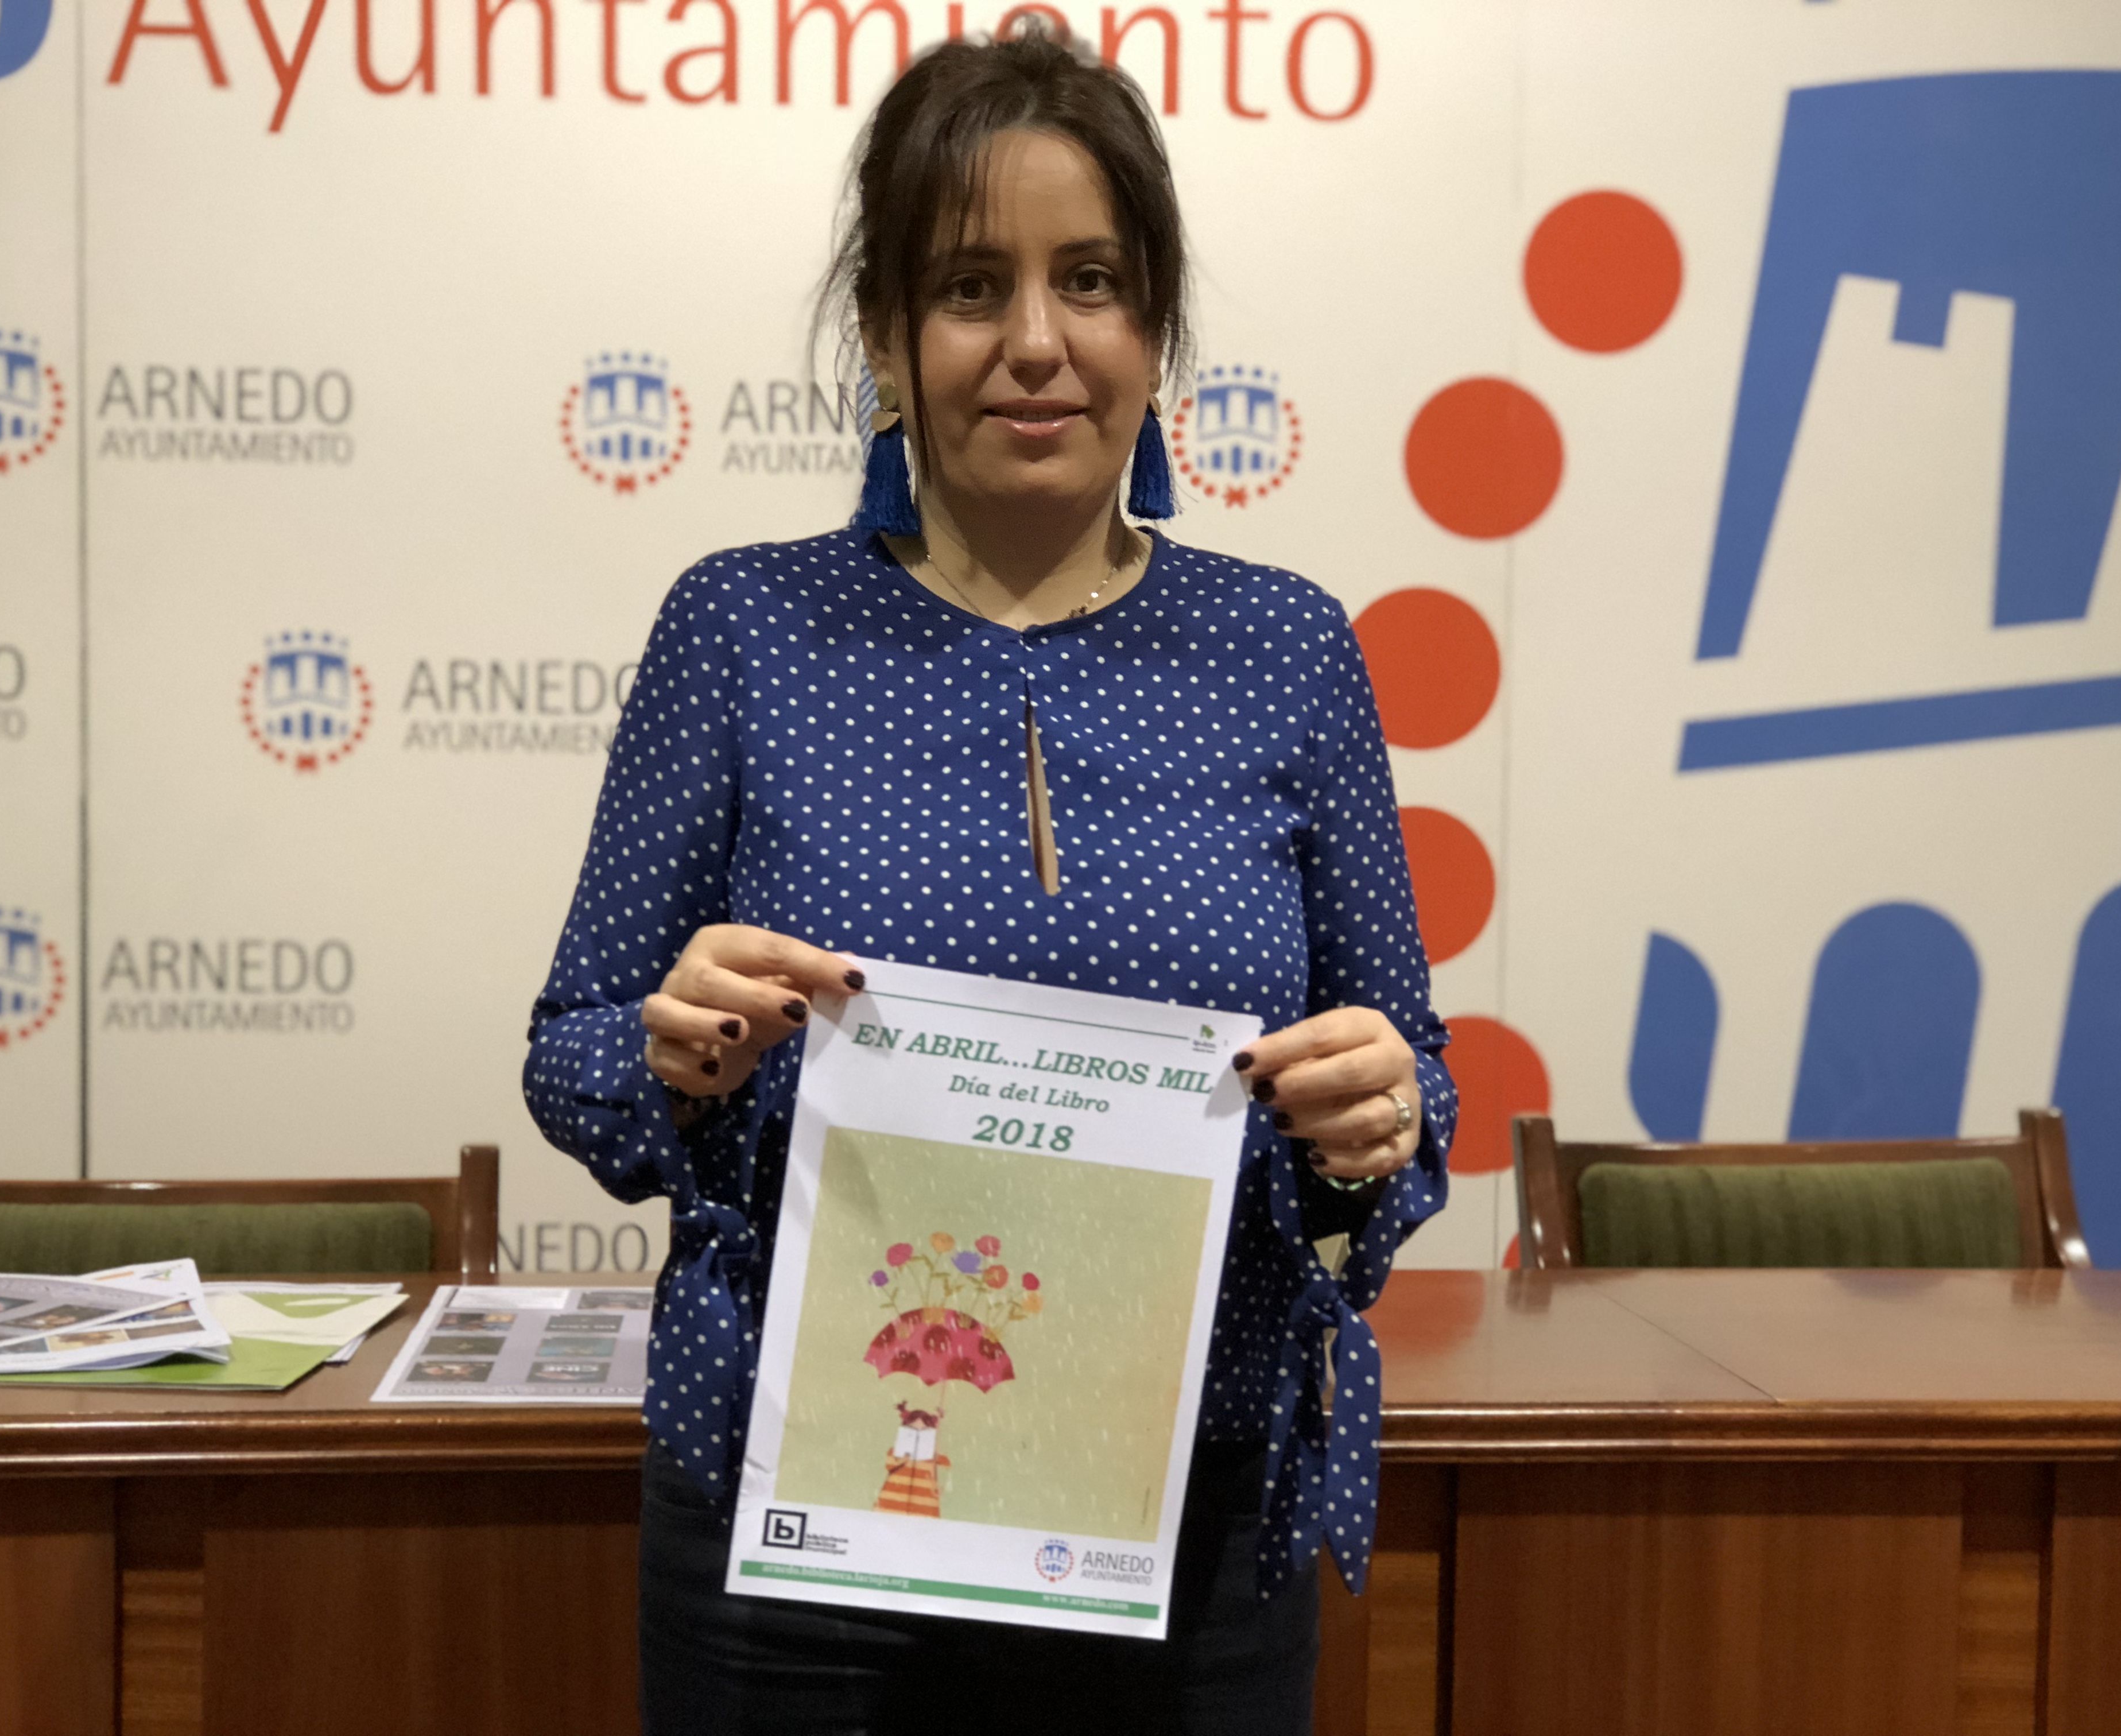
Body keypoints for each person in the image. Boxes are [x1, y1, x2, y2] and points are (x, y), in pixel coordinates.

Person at [524, 28, 1458, 1736]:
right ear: (885, 337)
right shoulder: (742, 629)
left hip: (1188, 1523)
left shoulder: (1288, 651)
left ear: (1155, 332)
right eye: (971, 286)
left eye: (1090, 281)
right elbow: (574, 1048)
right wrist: (669, 1050)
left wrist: (1380, 1114)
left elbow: (1414, 1081)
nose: (1037, 341)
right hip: (797, 1543)